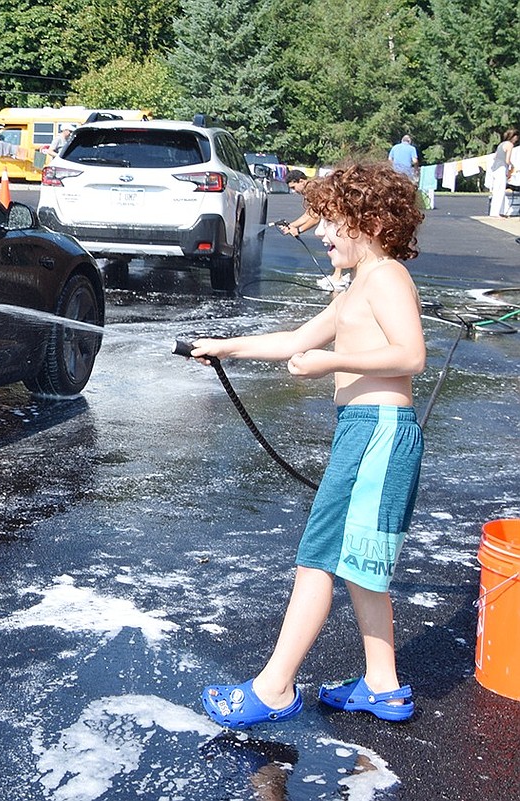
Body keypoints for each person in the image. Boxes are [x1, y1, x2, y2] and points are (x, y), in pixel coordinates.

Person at [191, 161, 426, 730]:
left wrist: (334, 362)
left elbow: (410, 355)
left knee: (318, 560)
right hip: (364, 430)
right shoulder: (357, 287)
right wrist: (225, 346)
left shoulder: (387, 277)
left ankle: (273, 688)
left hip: (377, 431)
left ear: (366, 220)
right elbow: (297, 340)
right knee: (357, 566)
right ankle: (382, 685)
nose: (318, 232)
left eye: (329, 220)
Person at [275, 170, 347, 291]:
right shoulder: (313, 186)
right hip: (336, 216)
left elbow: (315, 217)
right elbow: (310, 212)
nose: (294, 191)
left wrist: (299, 229)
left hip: (338, 216)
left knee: (337, 243)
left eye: (294, 187)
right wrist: (291, 225)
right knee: (336, 243)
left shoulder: (312, 189)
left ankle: (338, 276)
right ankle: (338, 275)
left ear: (301, 181)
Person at [488, 127, 518, 218]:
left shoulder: (501, 144)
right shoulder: (510, 145)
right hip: (501, 168)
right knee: (500, 191)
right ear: (513, 137)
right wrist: (512, 166)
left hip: (495, 168)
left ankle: (495, 211)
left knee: (496, 190)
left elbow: (495, 156)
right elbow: (507, 160)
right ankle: (496, 213)